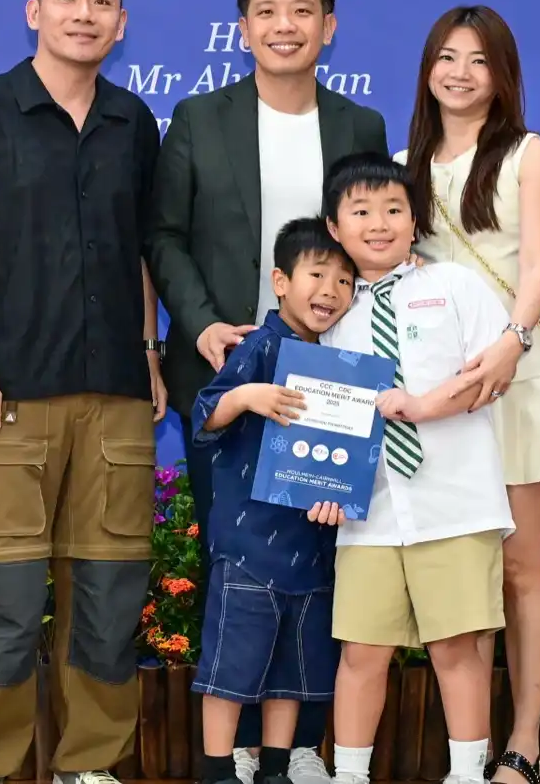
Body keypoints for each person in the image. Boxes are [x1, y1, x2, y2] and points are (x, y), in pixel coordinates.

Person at [0, 0, 168, 784]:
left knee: (109, 592)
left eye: (101, 1)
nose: (83, 13)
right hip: (8, 396)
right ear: (35, 11)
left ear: (121, 23)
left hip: (117, 400)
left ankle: (89, 764)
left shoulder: (134, 124)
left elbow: (142, 254)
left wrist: (149, 353)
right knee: (6, 594)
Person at [148, 0, 387, 782]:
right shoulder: (198, 118)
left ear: (329, 26)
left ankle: (293, 749)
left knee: (319, 566)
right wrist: (203, 325)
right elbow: (164, 236)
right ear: (243, 28)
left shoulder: (360, 126)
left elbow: (376, 247)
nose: (285, 26)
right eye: (267, 13)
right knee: (237, 565)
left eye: (302, 12)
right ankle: (233, 748)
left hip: (332, 382)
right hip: (227, 375)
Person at [397, 5, 540, 784]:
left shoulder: (528, 156)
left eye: (478, 60)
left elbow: (539, 265)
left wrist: (510, 341)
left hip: (516, 379)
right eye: (447, 57)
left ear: (502, 75)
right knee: (461, 576)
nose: (460, 73)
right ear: (427, 69)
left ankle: (525, 743)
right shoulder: (404, 163)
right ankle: (466, 755)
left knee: (517, 571)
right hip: (441, 397)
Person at [319, 152, 517, 784]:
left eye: (394, 209)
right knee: (361, 651)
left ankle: (467, 774)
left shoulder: (455, 285)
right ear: (334, 227)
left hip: (453, 502)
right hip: (369, 513)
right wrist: (323, 487)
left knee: (456, 648)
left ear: (415, 219)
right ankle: (350, 776)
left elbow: (490, 377)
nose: (379, 224)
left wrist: (424, 407)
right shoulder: (330, 312)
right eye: (360, 212)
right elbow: (323, 416)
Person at [187, 218, 356, 784]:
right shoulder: (259, 346)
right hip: (250, 543)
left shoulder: (341, 365)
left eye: (345, 281)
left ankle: (276, 768)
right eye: (317, 275)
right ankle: (217, 769)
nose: (330, 291)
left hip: (310, 545)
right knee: (231, 663)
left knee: (292, 667)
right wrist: (245, 395)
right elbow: (205, 414)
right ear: (281, 282)